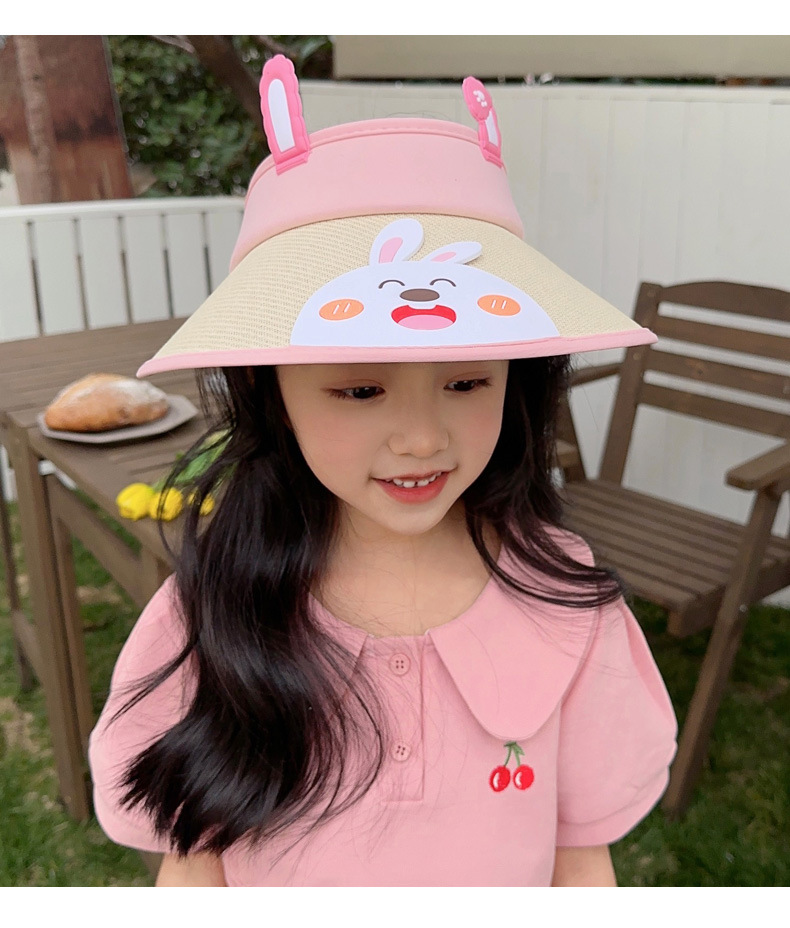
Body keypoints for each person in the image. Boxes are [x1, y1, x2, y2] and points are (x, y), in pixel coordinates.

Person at [88, 56, 677, 887]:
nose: (422, 438)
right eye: (361, 389)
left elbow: (581, 860)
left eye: (467, 383)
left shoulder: (563, 597)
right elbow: (194, 862)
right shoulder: (220, 600)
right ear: (271, 390)